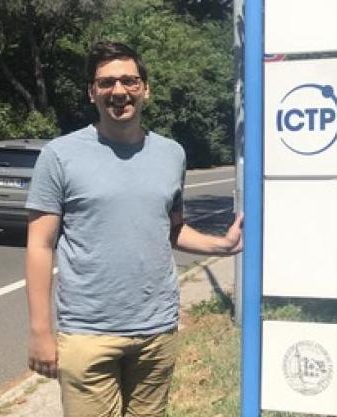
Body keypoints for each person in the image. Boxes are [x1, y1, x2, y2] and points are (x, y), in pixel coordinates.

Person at [24, 41, 242, 417]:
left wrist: (221, 245)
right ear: (92, 92)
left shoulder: (171, 153)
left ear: (145, 88)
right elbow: (40, 246)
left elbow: (171, 230)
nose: (119, 91)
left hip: (156, 330)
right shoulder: (59, 155)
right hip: (87, 333)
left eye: (129, 80)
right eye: (106, 83)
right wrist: (41, 332)